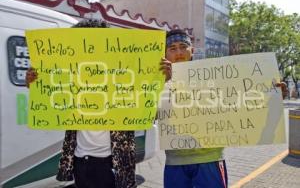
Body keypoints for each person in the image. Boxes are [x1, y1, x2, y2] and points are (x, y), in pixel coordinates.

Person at [26, 19, 135, 188]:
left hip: (112, 163)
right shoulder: (70, 75)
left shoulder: (121, 76)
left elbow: (144, 104)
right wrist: (33, 85)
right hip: (80, 161)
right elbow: (49, 101)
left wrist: (160, 80)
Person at [161, 29, 228, 188]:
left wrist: (272, 94)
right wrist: (166, 83)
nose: (179, 52)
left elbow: (236, 101)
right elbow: (150, 116)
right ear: (165, 53)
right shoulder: (157, 81)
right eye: (172, 48)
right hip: (175, 160)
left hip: (209, 158)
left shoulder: (211, 75)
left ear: (192, 50)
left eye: (183, 46)